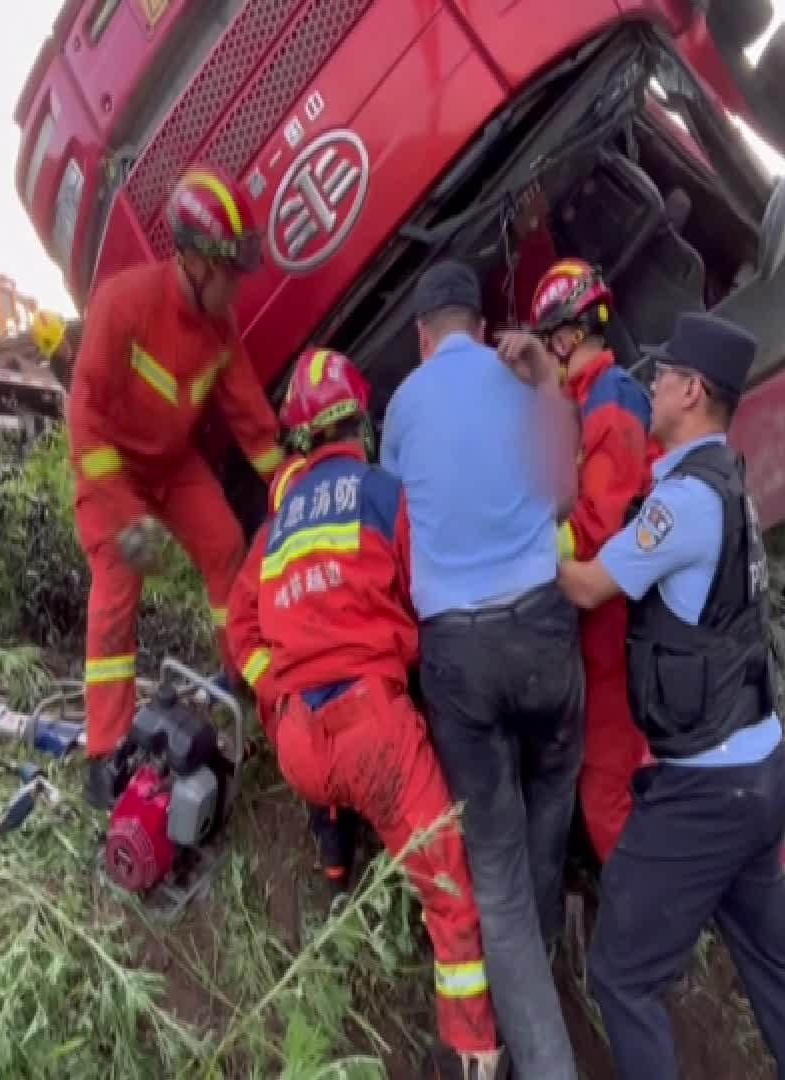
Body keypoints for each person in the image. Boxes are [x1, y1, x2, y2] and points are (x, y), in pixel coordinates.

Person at [555, 312, 785, 1080]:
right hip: (760, 772)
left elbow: (585, 586)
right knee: (773, 967)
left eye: (663, 375)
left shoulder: (680, 505)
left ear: (691, 389)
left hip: (707, 793)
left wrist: (528, 527)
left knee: (621, 973)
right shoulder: (727, 483)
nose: (650, 385)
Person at [254, 346, 505, 1078]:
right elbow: (426, 595)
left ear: (302, 439)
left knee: (331, 783)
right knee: (451, 897)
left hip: (299, 740)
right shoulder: (385, 495)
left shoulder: (274, 527)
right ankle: (470, 1057)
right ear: (358, 424)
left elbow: (255, 626)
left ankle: (333, 875)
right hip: (375, 740)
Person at [380, 260, 584, 1080]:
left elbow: (399, 508)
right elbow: (565, 499)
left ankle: (544, 1053)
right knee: (557, 774)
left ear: (426, 336)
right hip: (543, 630)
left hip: (458, 654)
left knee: (490, 871)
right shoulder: (520, 383)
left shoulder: (403, 403)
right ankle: (540, 943)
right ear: (480, 321)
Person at [69, 164, 285, 810]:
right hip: (114, 477)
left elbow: (250, 417)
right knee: (116, 596)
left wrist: (291, 480)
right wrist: (128, 517)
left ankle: (236, 674)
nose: (238, 290)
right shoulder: (123, 303)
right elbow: (85, 420)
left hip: (172, 469)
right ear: (195, 262)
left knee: (224, 545)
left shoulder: (220, 331)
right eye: (231, 274)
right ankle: (104, 750)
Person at [529, 258, 655, 863]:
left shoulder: (611, 400)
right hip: (610, 622)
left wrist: (526, 544)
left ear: (566, 338)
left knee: (606, 788)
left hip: (616, 622)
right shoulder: (587, 404)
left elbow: (596, 528)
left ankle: (644, 925)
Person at [227, 450, 363, 912]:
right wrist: (279, 689)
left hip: (341, 691)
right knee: (325, 798)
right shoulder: (276, 541)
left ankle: (347, 870)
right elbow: (242, 629)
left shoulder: (299, 531)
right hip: (304, 701)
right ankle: (337, 882)